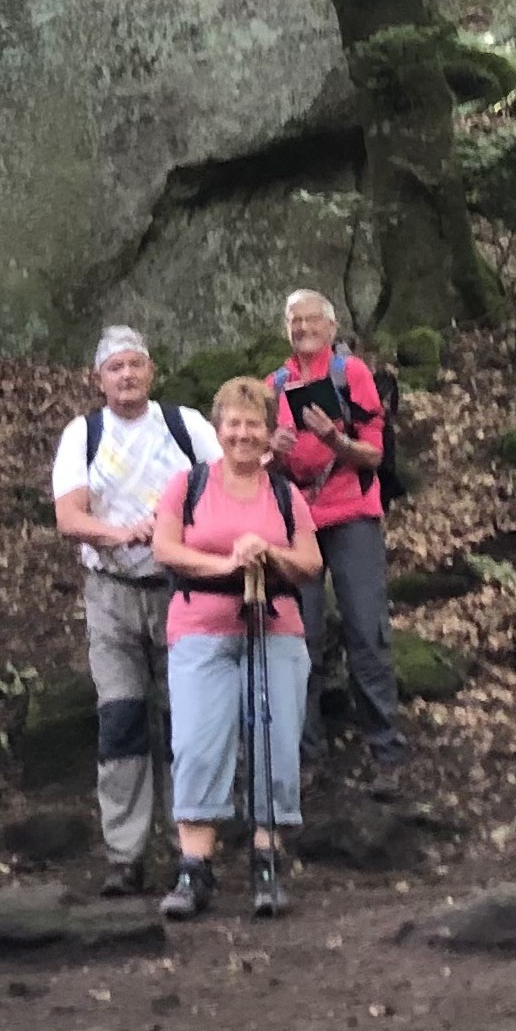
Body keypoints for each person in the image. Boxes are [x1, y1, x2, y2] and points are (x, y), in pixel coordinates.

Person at [50, 326, 216, 895]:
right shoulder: (84, 434)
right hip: (112, 594)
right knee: (120, 721)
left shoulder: (185, 426)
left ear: (151, 370)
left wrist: (181, 536)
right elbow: (69, 515)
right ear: (99, 379)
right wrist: (119, 533)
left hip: (181, 590)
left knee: (184, 722)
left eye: (135, 365)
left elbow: (224, 489)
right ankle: (125, 853)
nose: (126, 375)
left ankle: (188, 847)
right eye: (115, 367)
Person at [151, 373, 322, 919]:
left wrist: (268, 553)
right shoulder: (188, 484)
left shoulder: (284, 493)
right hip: (201, 627)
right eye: (233, 424)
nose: (243, 434)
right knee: (199, 743)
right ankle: (194, 868)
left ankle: (266, 860)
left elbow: (312, 564)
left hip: (275, 628)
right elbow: (166, 549)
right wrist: (226, 563)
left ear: (270, 433)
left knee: (274, 741)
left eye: (254, 425)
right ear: (218, 427)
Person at [269, 288, 407, 789]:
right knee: (299, 637)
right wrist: (275, 449)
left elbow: (373, 455)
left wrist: (333, 439)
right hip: (298, 520)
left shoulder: (353, 375)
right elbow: (264, 467)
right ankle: (307, 757)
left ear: (331, 328)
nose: (303, 328)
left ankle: (386, 753)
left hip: (351, 512)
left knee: (365, 629)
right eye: (294, 321)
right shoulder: (276, 384)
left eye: (311, 320)